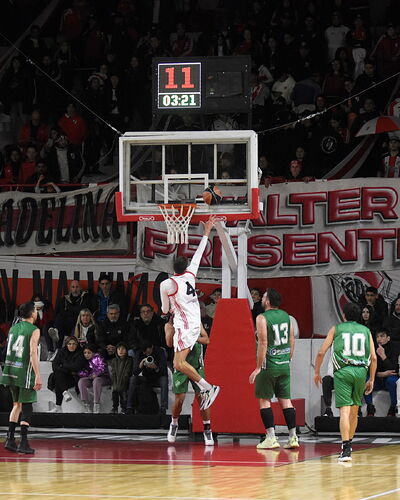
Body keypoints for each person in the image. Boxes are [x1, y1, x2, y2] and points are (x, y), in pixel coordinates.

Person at [160, 216, 220, 411]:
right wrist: (206, 232)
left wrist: (168, 310)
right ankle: (206, 387)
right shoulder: (191, 274)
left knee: (178, 363)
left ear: (172, 269)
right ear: (185, 268)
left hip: (185, 326)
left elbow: (164, 309)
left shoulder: (167, 284)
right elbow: (199, 254)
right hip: (196, 324)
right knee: (179, 363)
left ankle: (208, 387)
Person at [314, 302, 377, 462]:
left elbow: (322, 352)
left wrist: (316, 372)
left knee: (344, 411)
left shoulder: (336, 329)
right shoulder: (366, 331)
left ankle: (346, 448)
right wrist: (372, 379)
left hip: (343, 372)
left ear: (344, 316)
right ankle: (349, 444)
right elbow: (374, 357)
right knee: (354, 411)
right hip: (361, 372)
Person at [249, 288, 299, 450]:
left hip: (269, 365)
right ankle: (293, 437)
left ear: (268, 301)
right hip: (284, 364)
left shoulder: (262, 317)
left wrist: (258, 367)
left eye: (264, 297)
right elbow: (291, 339)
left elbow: (263, 343)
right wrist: (288, 358)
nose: (262, 299)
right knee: (286, 401)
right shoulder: (287, 316)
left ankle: (271, 437)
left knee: (264, 400)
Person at [1, 302, 42, 454]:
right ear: (32, 314)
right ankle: (23, 442)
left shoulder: (13, 328)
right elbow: (32, 353)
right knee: (27, 406)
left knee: (16, 405)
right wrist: (37, 375)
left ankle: (10, 439)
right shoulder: (34, 330)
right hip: (24, 372)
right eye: (36, 311)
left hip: (10, 369)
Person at [165, 320, 214, 446]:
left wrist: (193, 338)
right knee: (179, 399)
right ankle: (174, 423)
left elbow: (207, 340)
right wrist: (174, 330)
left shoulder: (196, 321)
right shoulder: (170, 324)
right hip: (181, 367)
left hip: (197, 366)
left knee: (202, 397)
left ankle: (207, 428)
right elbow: (169, 343)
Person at [364, 329, 399, 417]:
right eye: (377, 337)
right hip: (378, 379)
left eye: (382, 336)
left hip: (389, 379)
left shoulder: (395, 349)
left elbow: (394, 368)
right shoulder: (372, 349)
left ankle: (393, 407)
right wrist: (380, 374)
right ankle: (370, 407)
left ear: (388, 338)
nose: (379, 339)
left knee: (392, 380)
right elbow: (367, 367)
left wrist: (383, 356)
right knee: (366, 379)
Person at [78, 344, 110, 413]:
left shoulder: (98, 358)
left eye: (89, 353)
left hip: (103, 378)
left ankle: (96, 404)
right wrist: (82, 373)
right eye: (85, 353)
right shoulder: (85, 361)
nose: (86, 355)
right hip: (92, 378)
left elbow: (103, 368)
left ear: (93, 352)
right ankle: (86, 404)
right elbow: (84, 372)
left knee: (96, 380)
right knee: (81, 381)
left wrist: (96, 374)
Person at [110, 342, 133, 414]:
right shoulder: (113, 361)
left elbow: (128, 372)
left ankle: (124, 408)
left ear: (126, 350)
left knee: (122, 390)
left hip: (126, 381)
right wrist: (114, 383)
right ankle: (115, 407)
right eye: (119, 349)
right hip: (116, 382)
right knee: (115, 390)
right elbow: (113, 373)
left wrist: (122, 382)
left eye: (123, 349)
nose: (121, 351)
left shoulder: (129, 360)